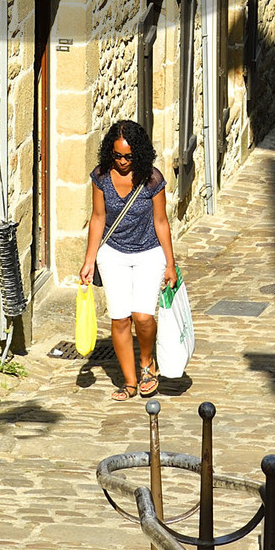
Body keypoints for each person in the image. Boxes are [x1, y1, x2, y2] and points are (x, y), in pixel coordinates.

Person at [80, 120, 176, 399]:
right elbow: (98, 218)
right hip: (113, 253)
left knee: (143, 316)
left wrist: (170, 264)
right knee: (120, 318)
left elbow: (161, 222)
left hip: (148, 252)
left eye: (128, 156)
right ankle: (130, 381)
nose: (122, 161)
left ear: (139, 154)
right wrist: (89, 260)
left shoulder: (152, 179)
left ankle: (147, 362)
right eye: (117, 155)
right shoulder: (101, 177)